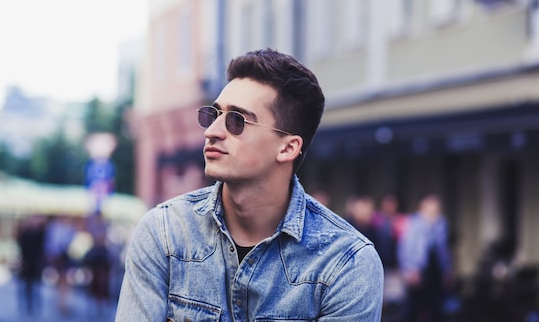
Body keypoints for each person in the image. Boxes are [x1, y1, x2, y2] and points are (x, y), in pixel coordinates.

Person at [115, 48, 384, 321]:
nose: (212, 131)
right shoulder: (164, 233)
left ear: (288, 148)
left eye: (236, 121)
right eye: (214, 114)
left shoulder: (346, 262)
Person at [398, 193, 454, 322]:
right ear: (422, 206)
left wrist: (447, 270)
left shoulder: (441, 223)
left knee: (437, 309)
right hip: (418, 270)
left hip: (436, 271)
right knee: (413, 309)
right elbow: (405, 248)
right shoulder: (412, 222)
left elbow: (444, 250)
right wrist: (408, 269)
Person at [16, 215, 46, 315]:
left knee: (36, 285)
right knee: (25, 285)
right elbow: (21, 246)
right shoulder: (25, 233)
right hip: (26, 262)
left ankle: (36, 306)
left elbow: (43, 248)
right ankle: (26, 305)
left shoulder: (42, 233)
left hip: (37, 263)